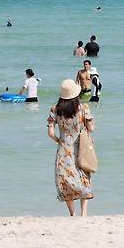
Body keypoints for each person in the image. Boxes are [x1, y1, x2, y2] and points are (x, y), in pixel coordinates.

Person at [47, 79, 95, 216]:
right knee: (84, 176)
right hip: (81, 147)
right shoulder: (83, 108)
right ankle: (84, 213)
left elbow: (50, 133)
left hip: (63, 148)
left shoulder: (54, 109)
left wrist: (60, 141)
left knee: (66, 179)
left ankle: (72, 213)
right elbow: (91, 128)